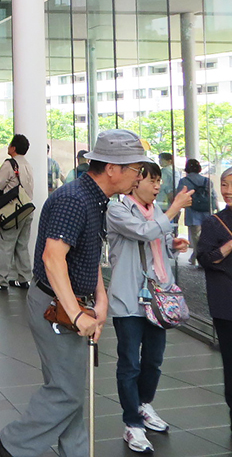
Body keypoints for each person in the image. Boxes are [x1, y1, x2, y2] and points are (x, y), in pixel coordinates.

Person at [0, 129, 152, 457]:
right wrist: (77, 315)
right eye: (136, 169)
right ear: (112, 169)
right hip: (56, 308)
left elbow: (87, 255)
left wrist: (100, 299)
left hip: (72, 305)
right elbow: (53, 258)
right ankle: (11, 445)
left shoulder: (96, 200)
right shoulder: (74, 200)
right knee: (66, 392)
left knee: (72, 390)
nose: (139, 176)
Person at [106, 162, 192, 453]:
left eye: (158, 181)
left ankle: (143, 405)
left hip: (158, 299)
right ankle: (132, 423)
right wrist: (174, 209)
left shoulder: (156, 211)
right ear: (136, 182)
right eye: (152, 181)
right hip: (129, 299)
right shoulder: (118, 210)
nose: (157, 186)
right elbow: (143, 233)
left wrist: (173, 245)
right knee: (130, 363)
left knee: (153, 360)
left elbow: (159, 242)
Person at [196, 167, 232, 432]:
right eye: (224, 184)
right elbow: (205, 259)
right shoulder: (214, 222)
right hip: (226, 305)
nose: (227, 190)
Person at [0, 134, 35, 292]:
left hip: (13, 212)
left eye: (10, 144)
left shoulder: (10, 164)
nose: (8, 147)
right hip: (26, 209)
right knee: (22, 245)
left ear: (14, 148)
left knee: (4, 245)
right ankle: (25, 278)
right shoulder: (28, 165)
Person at [178, 158, 219, 266]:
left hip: (192, 211)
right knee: (206, 236)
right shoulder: (206, 180)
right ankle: (197, 257)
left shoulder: (184, 181)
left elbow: (179, 196)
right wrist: (217, 209)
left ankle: (199, 259)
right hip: (206, 211)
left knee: (195, 237)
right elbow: (214, 195)